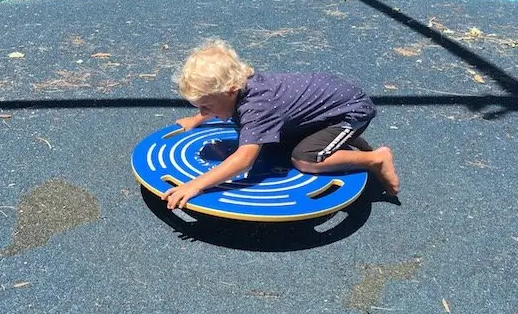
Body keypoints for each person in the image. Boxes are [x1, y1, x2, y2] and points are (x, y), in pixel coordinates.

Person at [162, 39, 400, 210]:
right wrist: (196, 120)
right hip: (327, 101)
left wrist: (195, 185)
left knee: (304, 159)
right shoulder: (240, 88)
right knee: (273, 142)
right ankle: (331, 135)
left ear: (230, 91)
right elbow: (219, 102)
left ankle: (376, 159)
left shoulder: (257, 107)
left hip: (350, 111)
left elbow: (244, 161)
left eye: (206, 107)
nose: (203, 112)